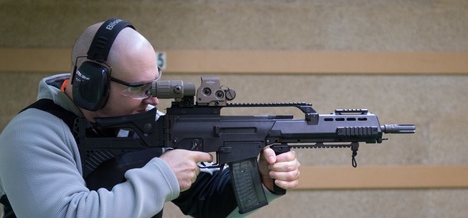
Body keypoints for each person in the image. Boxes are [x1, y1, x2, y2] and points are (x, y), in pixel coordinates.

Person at [0, 18, 301, 217]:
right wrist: (162, 176)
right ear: (94, 84)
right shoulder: (31, 134)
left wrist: (262, 178)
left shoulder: (147, 121)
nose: (154, 99)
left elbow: (207, 197)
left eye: (155, 83)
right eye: (140, 89)